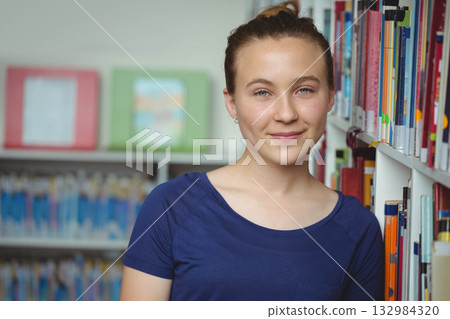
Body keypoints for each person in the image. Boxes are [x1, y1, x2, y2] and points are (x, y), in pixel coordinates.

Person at [120, 1, 384, 301]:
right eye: (262, 92)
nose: (285, 114)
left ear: (330, 98)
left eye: (305, 90)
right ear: (232, 102)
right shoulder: (170, 207)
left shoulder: (358, 229)